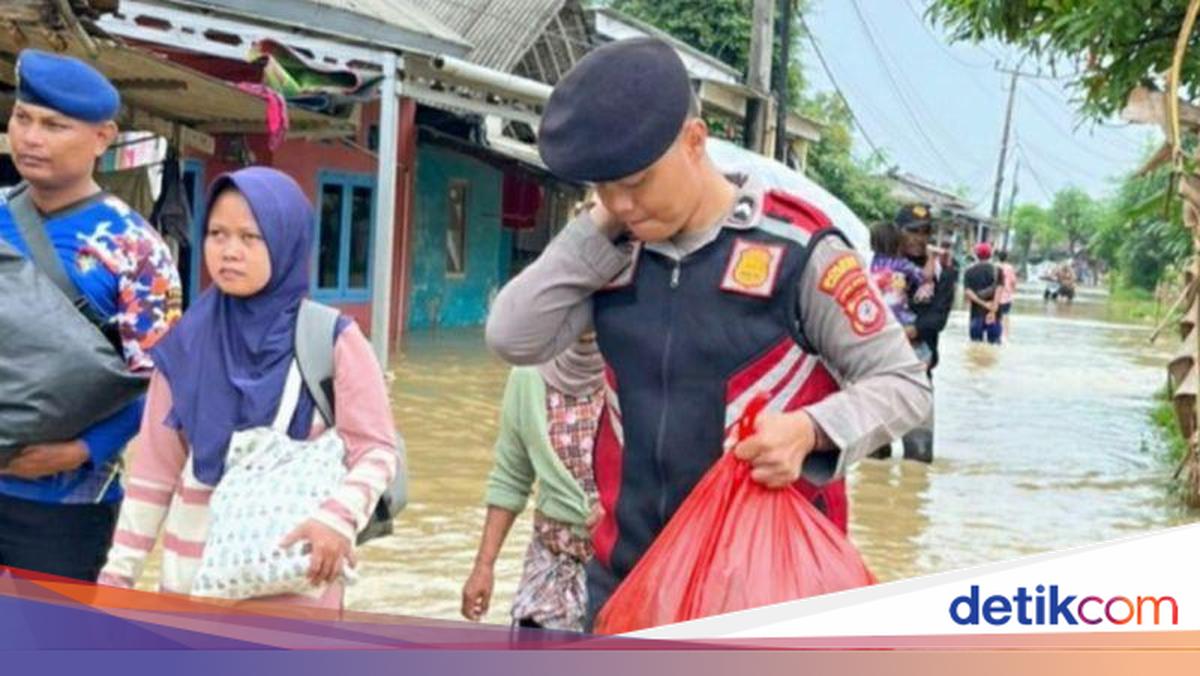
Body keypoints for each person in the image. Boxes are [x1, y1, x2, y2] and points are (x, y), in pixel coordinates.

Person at [484, 37, 932, 629]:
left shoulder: (799, 252)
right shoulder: (611, 256)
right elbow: (512, 336)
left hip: (761, 587)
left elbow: (905, 384)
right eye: (603, 186)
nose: (623, 202)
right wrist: (597, 226)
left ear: (694, 142)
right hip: (628, 583)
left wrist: (810, 431)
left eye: (639, 180)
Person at [98, 168, 399, 608]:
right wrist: (117, 576)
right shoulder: (183, 346)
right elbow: (154, 473)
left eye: (249, 237)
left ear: (285, 241)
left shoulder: (332, 339)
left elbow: (375, 450)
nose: (229, 252)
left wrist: (338, 519)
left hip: (296, 581)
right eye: (217, 234)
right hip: (193, 586)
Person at [0, 50, 182, 581]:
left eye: (54, 125)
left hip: (67, 505)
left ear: (102, 138)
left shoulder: (137, 250)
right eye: (22, 118)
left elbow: (163, 384)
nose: (31, 137)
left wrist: (82, 450)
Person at [461, 336, 605, 631]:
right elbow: (511, 476)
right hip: (552, 569)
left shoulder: (641, 367)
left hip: (625, 568)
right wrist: (484, 566)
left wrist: (622, 505)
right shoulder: (529, 375)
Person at [869, 203, 958, 463]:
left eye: (926, 232)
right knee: (873, 460)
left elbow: (936, 319)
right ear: (898, 232)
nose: (921, 239)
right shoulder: (878, 265)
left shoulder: (943, 272)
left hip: (917, 372)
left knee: (918, 460)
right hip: (876, 374)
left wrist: (901, 333)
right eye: (914, 231)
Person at [869, 221, 932, 365]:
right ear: (897, 243)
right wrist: (931, 257)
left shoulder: (868, 264)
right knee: (926, 357)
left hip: (877, 320)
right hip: (901, 319)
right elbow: (926, 276)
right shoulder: (901, 264)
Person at [963, 242, 1003, 344]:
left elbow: (968, 292)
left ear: (976, 255)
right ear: (991, 254)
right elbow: (999, 290)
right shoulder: (998, 270)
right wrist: (993, 310)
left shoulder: (969, 271)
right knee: (994, 347)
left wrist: (983, 303)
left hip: (976, 314)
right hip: (994, 315)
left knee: (975, 345)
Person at [995, 250, 1018, 341]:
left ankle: (996, 334)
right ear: (1007, 258)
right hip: (1007, 296)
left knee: (996, 316)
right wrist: (1012, 291)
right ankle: (1005, 336)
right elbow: (1013, 282)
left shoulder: (994, 266)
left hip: (995, 295)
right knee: (1006, 316)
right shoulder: (1010, 268)